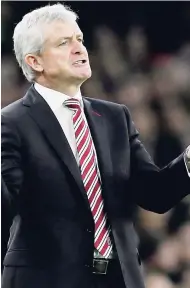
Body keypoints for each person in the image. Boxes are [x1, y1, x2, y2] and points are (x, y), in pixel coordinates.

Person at [1, 3, 190, 288]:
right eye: (64, 43)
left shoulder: (115, 117)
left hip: (118, 279)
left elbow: (155, 195)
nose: (79, 48)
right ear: (34, 61)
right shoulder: (11, 123)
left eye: (79, 39)